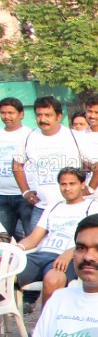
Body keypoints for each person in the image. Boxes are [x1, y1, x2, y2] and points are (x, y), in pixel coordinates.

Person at [16, 168, 98, 303]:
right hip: (41, 254)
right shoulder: (53, 206)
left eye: (72, 184)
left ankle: (47, 322)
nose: (67, 188)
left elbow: (94, 239)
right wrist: (16, 249)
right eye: (63, 184)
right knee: (3, 271)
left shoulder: (92, 206)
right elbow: (34, 238)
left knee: (53, 280)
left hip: (67, 257)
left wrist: (71, 252)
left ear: (82, 185)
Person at [12, 96, 85, 228]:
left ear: (58, 117)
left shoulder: (75, 136)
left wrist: (89, 188)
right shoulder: (29, 137)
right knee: (35, 246)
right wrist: (25, 192)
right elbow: (17, 164)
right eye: (39, 115)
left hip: (71, 208)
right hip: (41, 208)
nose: (43, 119)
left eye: (48, 115)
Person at [0, 97, 34, 240]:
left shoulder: (30, 135)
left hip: (26, 196)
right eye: (3, 113)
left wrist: (27, 192)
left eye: (11, 112)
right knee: (3, 240)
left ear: (21, 114)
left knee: (31, 237)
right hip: (2, 196)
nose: (6, 116)